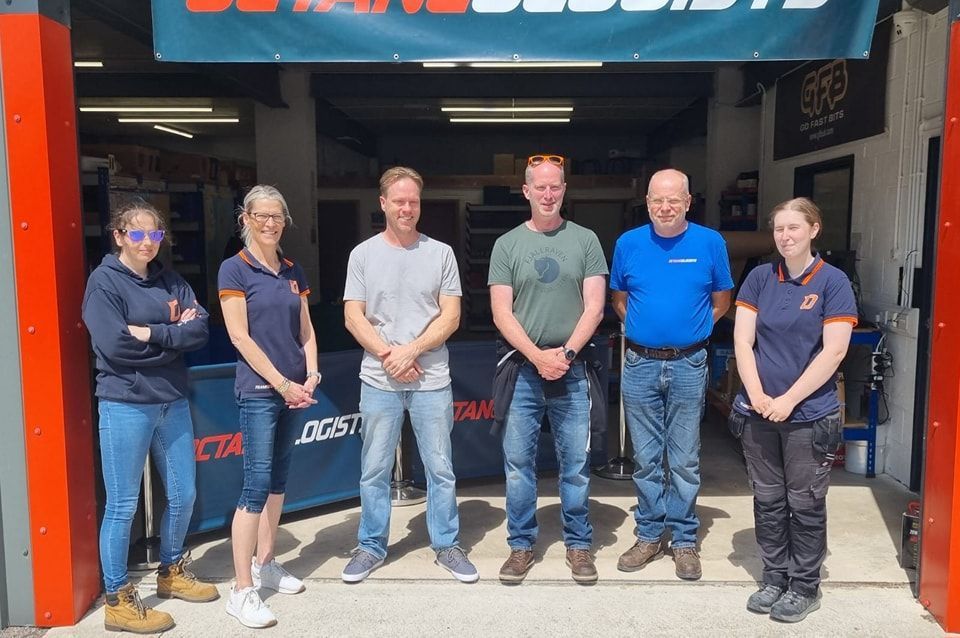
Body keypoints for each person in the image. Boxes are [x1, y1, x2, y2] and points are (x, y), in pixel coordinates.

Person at [82, 200, 218, 634]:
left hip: (171, 401)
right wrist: (172, 339)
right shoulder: (104, 283)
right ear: (118, 236)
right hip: (125, 403)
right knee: (122, 506)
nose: (147, 242)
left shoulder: (169, 279)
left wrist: (155, 333)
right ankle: (118, 599)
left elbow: (200, 329)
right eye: (136, 233)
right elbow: (115, 347)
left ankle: (172, 570)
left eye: (154, 234)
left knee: (184, 495)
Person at [341, 167, 478, 584]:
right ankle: (370, 545)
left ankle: (447, 545)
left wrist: (412, 350)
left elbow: (451, 315)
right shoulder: (363, 255)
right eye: (398, 201)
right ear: (382, 203)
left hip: (431, 378)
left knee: (440, 467)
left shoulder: (441, 254)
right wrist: (388, 354)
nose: (406, 208)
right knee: (374, 468)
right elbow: (352, 315)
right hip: (379, 379)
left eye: (413, 201)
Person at [731, 197, 856, 622]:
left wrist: (788, 400)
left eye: (794, 228)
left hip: (809, 415)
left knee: (803, 502)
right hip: (758, 412)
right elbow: (743, 342)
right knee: (767, 499)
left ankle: (804, 586)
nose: (785, 236)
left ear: (814, 230)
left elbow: (834, 351)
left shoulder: (833, 282)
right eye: (779, 229)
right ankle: (773, 578)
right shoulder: (760, 278)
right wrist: (758, 395)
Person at [488, 154, 608, 584]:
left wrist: (567, 355)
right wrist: (538, 357)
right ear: (526, 191)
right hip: (523, 368)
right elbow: (502, 312)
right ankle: (521, 545)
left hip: (572, 368)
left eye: (555, 186)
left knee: (575, 462)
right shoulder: (507, 245)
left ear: (564, 190)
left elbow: (594, 306)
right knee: (518, 462)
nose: (547, 193)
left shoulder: (586, 240)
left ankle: (578, 545)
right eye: (539, 186)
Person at [610, 168, 733, 581]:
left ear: (687, 201)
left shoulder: (709, 242)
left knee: (683, 458)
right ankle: (648, 534)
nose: (664, 208)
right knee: (646, 459)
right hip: (640, 363)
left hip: (689, 363)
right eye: (656, 200)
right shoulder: (628, 244)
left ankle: (683, 539)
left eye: (673, 200)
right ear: (646, 202)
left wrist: (691, 333)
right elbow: (620, 298)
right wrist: (647, 334)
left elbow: (721, 300)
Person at [218, 185, 319, 628]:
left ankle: (267, 562)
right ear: (246, 218)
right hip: (262, 392)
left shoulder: (293, 270)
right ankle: (241, 590)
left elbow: (307, 329)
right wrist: (281, 383)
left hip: (295, 391)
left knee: (278, 482)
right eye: (261, 215)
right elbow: (240, 337)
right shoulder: (233, 270)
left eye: (277, 215)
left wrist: (311, 373)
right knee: (255, 487)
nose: (270, 223)